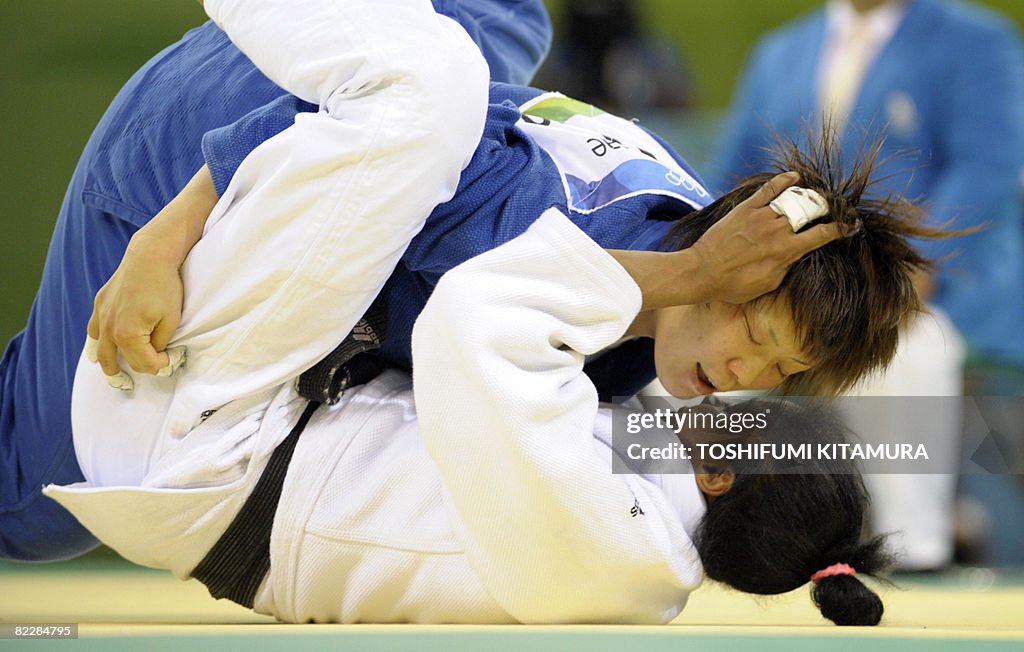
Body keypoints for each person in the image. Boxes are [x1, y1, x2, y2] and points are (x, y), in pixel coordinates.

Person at [41, 2, 894, 621]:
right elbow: (462, 290)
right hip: (202, 192)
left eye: (777, 376)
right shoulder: (536, 221)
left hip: (221, 421)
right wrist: (159, 243)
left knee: (461, 55)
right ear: (726, 249)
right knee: (453, 65)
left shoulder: (638, 457)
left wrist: (703, 278)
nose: (743, 382)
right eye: (757, 338)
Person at [711, 0, 1024, 568]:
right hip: (795, 290)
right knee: (689, 358)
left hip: (930, 291)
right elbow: (731, 173)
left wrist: (912, 269)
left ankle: (918, 553)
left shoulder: (980, 41)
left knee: (902, 352)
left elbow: (987, 166)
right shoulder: (780, 51)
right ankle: (698, 541)